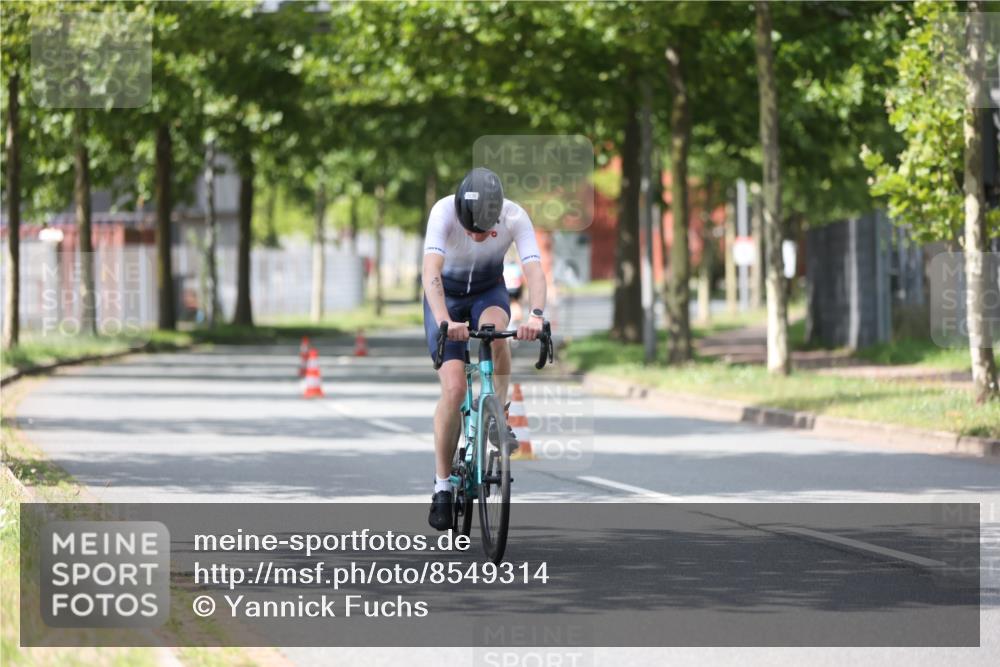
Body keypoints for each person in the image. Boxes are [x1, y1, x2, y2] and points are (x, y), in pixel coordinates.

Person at [422, 167, 547, 531]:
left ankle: (498, 415)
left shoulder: (515, 216)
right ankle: (442, 485)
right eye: (469, 229)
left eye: (483, 231)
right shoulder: (443, 212)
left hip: (487, 291)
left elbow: (534, 270)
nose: (476, 236)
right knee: (455, 388)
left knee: (497, 334)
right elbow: (430, 271)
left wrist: (536, 316)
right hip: (444, 296)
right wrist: (444, 320)